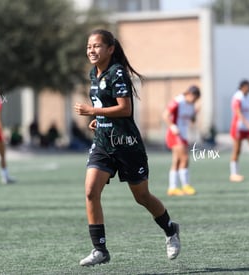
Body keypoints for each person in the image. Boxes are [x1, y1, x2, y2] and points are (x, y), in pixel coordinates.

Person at [74, 29, 180, 266]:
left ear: (110, 49)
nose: (92, 50)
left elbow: (125, 109)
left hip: (127, 144)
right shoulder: (94, 74)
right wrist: (98, 120)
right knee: (91, 191)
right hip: (103, 142)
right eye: (89, 46)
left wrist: (93, 111)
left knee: (141, 196)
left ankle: (170, 229)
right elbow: (106, 106)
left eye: (97, 46)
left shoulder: (117, 73)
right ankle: (100, 249)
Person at [163, 85, 200, 196]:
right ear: (189, 94)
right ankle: (186, 185)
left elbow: (192, 120)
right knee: (185, 158)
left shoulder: (191, 105)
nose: (194, 100)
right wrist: (172, 126)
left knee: (177, 161)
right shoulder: (178, 101)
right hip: (175, 134)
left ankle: (172, 188)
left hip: (183, 135)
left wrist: (196, 113)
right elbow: (165, 115)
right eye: (194, 97)